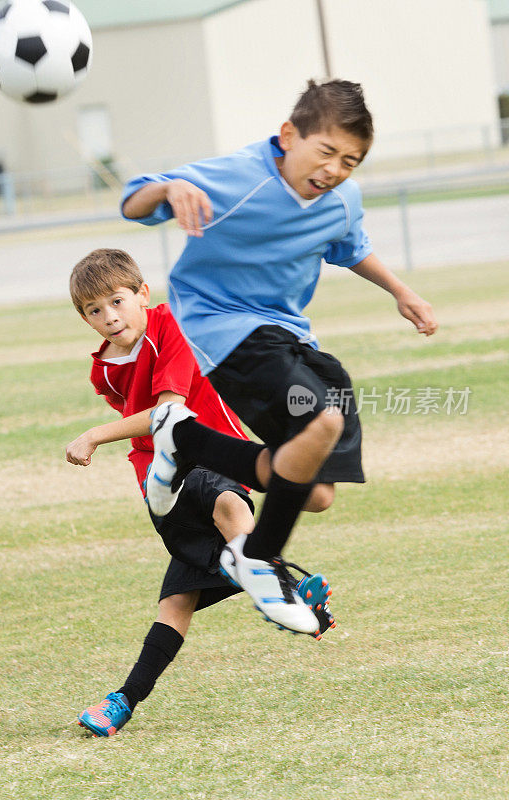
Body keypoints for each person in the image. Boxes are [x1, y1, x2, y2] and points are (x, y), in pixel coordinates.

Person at [120, 79, 438, 636]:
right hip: (221, 325)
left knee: (314, 491)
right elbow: (132, 202)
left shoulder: (342, 200)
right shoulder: (238, 177)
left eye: (351, 160)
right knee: (323, 419)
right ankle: (257, 560)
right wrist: (169, 189)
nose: (336, 168)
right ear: (289, 136)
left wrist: (401, 291)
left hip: (289, 334)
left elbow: (352, 246)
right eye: (327, 152)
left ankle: (185, 440)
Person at [66, 248, 334, 737]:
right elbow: (144, 419)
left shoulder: (174, 325)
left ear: (143, 294)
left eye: (117, 301)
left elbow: (168, 412)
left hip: (212, 453)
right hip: (160, 480)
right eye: (93, 310)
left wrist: (96, 433)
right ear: (83, 318)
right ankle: (282, 591)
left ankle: (274, 592)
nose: (109, 317)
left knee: (218, 530)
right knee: (192, 578)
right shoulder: (101, 369)